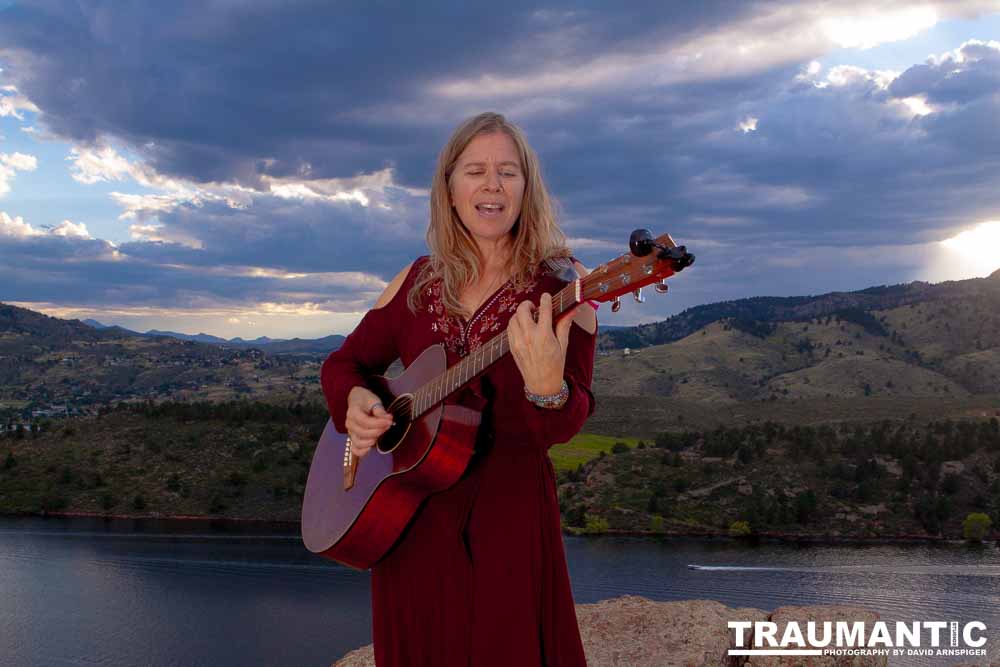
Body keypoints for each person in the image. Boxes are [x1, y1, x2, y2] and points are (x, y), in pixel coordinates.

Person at [320, 111, 597, 666]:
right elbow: (344, 363)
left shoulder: (564, 291)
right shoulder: (416, 281)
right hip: (409, 514)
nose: (492, 184)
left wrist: (548, 389)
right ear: (449, 189)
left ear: (526, 190)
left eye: (508, 172)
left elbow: (565, 425)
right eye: (475, 170)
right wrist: (355, 401)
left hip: (509, 520)